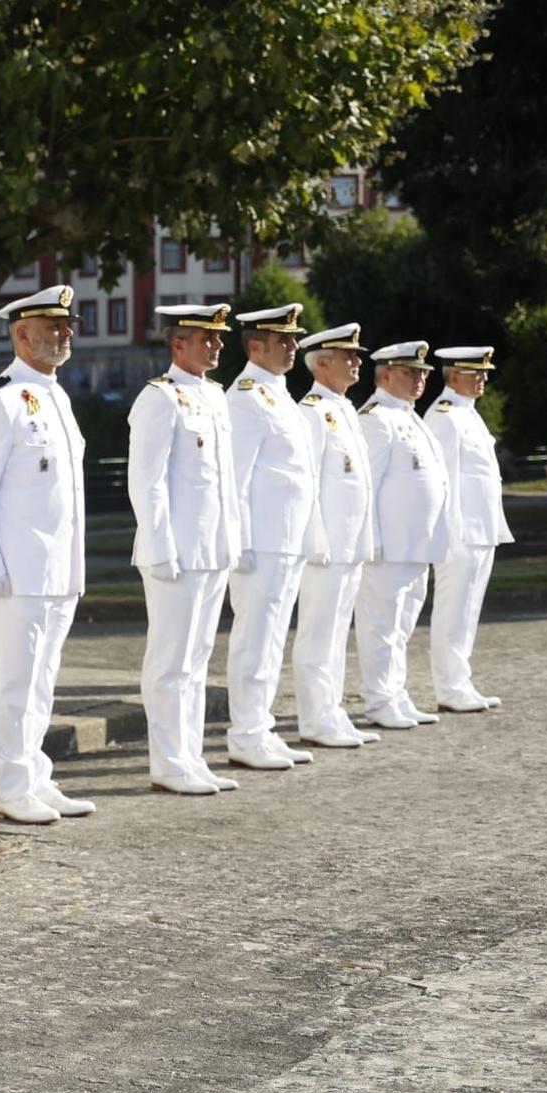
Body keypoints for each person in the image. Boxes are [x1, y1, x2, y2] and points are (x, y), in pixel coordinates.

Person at [0, 285, 94, 824]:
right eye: (52, 327)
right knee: (16, 681)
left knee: (43, 680)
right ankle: (12, 786)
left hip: (59, 566)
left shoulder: (56, 396)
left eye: (67, 326)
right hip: (19, 568)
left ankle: (36, 775)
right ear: (21, 334)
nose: (63, 334)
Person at [127, 304, 242, 796]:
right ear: (178, 345)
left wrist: (230, 540)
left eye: (217, 338)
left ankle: (191, 757)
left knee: (197, 660)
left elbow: (223, 483)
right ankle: (168, 762)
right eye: (205, 338)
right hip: (175, 552)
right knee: (170, 661)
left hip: (211, 548)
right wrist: (160, 549)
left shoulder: (214, 396)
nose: (216, 345)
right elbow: (146, 482)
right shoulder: (160, 398)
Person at [224, 303, 322, 772]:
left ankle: (260, 729)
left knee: (272, 641)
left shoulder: (279, 394)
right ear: (254, 346)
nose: (293, 346)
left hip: (284, 539)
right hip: (259, 542)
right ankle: (244, 734)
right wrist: (239, 542)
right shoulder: (245, 397)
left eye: (293, 339)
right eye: (283, 340)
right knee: (254, 640)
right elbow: (236, 477)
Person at [355, 341, 453, 731]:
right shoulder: (376, 418)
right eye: (410, 373)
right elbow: (369, 485)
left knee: (403, 624)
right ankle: (379, 701)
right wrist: (372, 540)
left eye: (423, 374)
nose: (420, 380)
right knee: (381, 625)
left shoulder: (410, 417)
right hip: (389, 546)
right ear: (384, 375)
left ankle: (395, 694)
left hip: (415, 543)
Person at [290, 324, 380, 749]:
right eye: (349, 356)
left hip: (349, 544)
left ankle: (333, 710)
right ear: (322, 362)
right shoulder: (311, 411)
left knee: (337, 632)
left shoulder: (344, 408)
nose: (357, 362)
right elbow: (306, 482)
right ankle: (314, 718)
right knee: (317, 633)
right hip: (326, 546)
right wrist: (316, 539)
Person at [426, 346, 514, 712]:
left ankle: (460, 681)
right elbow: (441, 480)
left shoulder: (468, 413)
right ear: (452, 375)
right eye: (475, 372)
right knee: (453, 609)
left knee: (468, 609)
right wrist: (448, 534)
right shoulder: (444, 416)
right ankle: (449, 687)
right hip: (459, 532)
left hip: (482, 528)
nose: (484, 378)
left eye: (485, 372)